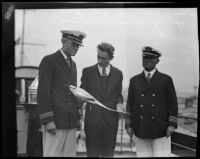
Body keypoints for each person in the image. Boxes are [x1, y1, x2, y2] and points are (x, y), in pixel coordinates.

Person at [37, 30, 86, 157]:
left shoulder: (73, 65)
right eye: (73, 44)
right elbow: (43, 92)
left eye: (78, 46)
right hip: (55, 121)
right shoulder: (49, 60)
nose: (76, 48)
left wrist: (77, 117)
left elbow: (72, 92)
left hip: (69, 122)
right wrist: (48, 120)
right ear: (63, 41)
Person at [125, 46, 178, 157]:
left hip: (161, 129)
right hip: (140, 129)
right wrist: (128, 125)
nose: (146, 61)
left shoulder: (166, 79)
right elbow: (129, 105)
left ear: (157, 61)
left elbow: (173, 103)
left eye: (150, 58)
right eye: (144, 58)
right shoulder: (134, 80)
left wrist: (172, 124)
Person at [80, 42, 125, 157]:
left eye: (103, 58)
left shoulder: (118, 74)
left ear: (111, 58)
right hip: (92, 123)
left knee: (108, 155)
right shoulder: (87, 72)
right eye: (98, 56)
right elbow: (82, 94)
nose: (100, 60)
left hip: (111, 123)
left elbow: (118, 94)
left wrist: (119, 103)